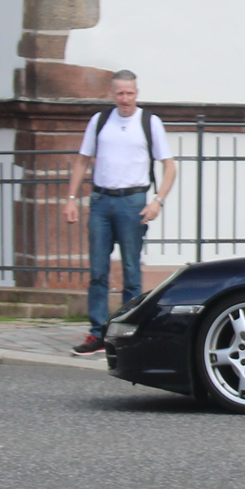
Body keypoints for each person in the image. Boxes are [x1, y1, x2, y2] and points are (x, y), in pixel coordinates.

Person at [64, 72, 176, 356]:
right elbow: (82, 160)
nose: (125, 99)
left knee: (130, 271)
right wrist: (71, 198)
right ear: (112, 94)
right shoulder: (100, 121)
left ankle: (127, 331)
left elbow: (170, 166)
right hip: (102, 200)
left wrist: (157, 202)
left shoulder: (149, 122)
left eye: (129, 93)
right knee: (98, 271)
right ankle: (97, 333)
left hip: (133, 201)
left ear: (136, 93)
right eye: (120, 94)